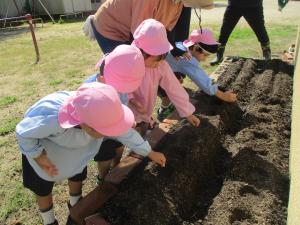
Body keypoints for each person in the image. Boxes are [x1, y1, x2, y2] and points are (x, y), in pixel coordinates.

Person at [16, 82, 166, 225]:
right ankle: (49, 220)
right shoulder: (52, 120)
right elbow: (24, 133)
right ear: (87, 126)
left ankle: (76, 202)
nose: (111, 133)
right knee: (42, 188)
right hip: (44, 156)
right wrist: (39, 157)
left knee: (78, 174)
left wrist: (149, 152)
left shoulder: (102, 112)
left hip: (73, 153)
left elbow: (125, 133)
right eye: (106, 131)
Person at [84, 44, 145, 184]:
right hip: (101, 131)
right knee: (105, 154)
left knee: (119, 146)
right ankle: (103, 177)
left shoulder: (119, 81)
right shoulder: (92, 90)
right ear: (102, 78)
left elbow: (124, 99)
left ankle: (116, 167)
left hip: (118, 123)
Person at [129, 19, 200, 129]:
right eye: (155, 60)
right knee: (126, 131)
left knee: (142, 124)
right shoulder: (127, 62)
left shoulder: (161, 66)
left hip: (144, 109)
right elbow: (118, 87)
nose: (158, 64)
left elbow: (174, 88)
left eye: (162, 58)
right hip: (125, 109)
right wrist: (131, 99)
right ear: (143, 53)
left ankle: (145, 123)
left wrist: (187, 112)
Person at [82, 0, 214, 54]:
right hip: (110, 27)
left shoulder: (178, 4)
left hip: (130, 28)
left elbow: (165, 30)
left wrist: (170, 53)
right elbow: (140, 34)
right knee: (124, 69)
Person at [166, 29, 237, 105]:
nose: (205, 59)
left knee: (178, 80)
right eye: (205, 55)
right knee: (170, 91)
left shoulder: (181, 46)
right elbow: (203, 81)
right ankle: (166, 106)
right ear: (195, 48)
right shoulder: (187, 59)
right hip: (155, 74)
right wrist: (223, 96)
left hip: (161, 67)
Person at [210, 0, 271, 65]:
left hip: (254, 5)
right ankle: (219, 55)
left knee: (260, 29)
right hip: (234, 4)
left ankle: (266, 53)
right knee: (225, 29)